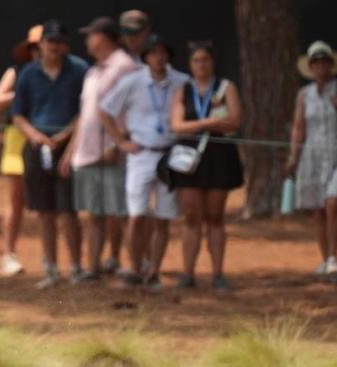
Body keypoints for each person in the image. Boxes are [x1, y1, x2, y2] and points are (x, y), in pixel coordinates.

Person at [100, 34, 189, 289]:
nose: (159, 58)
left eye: (163, 53)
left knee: (163, 215)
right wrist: (120, 142)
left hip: (170, 154)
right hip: (141, 154)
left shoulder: (181, 82)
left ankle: (155, 272)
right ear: (146, 57)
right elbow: (105, 110)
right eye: (153, 53)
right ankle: (135, 267)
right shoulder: (132, 82)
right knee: (137, 215)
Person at [12, 20, 88, 288]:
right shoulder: (28, 74)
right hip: (37, 147)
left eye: (59, 42)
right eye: (49, 41)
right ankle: (51, 268)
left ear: (65, 45)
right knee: (44, 211)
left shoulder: (79, 70)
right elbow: (18, 114)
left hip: (69, 148)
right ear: (41, 45)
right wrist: (36, 136)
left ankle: (77, 267)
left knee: (69, 210)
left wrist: (66, 134)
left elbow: (86, 110)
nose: (54, 46)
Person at [59, 17, 137, 278]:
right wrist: (71, 150)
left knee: (121, 212)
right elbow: (85, 114)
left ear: (102, 37)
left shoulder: (125, 67)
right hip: (88, 153)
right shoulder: (93, 71)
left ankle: (136, 266)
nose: (87, 41)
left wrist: (117, 144)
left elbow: (130, 110)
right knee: (93, 214)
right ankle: (93, 267)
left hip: (111, 153)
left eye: (90, 35)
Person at [285, 41, 337, 276]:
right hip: (312, 155)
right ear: (311, 67)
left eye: (324, 61)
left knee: (334, 202)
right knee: (318, 210)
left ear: (331, 64)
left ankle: (333, 255)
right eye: (316, 62)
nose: (320, 66)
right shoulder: (304, 94)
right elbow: (299, 127)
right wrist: (294, 156)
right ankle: (325, 258)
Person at [168, 41, 244, 290]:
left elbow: (234, 121)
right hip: (190, 158)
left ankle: (218, 273)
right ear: (190, 65)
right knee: (191, 215)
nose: (201, 65)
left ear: (212, 62)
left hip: (218, 157)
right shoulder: (183, 89)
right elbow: (177, 125)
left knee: (215, 215)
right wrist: (209, 123)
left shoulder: (225, 87)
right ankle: (188, 272)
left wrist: (207, 124)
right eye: (196, 60)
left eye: (205, 60)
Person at [0, 24, 42, 277]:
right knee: (16, 198)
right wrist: (22, 90)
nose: (39, 50)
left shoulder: (62, 73)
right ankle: (8, 254)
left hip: (48, 137)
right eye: (34, 46)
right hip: (18, 138)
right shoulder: (18, 71)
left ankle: (49, 256)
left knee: (48, 199)